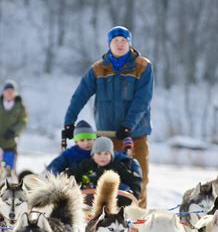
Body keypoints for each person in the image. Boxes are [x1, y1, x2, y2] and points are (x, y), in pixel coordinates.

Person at [62, 26, 153, 208]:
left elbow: (142, 100)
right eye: (115, 41)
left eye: (123, 41)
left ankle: (138, 219)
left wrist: (128, 126)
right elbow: (80, 95)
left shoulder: (142, 67)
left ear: (129, 43)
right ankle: (108, 219)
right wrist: (69, 121)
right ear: (109, 44)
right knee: (106, 181)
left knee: (138, 179)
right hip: (107, 138)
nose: (119, 44)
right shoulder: (98, 69)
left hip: (134, 134)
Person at [65, 137, 142, 207]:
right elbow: (74, 172)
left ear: (111, 155)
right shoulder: (86, 165)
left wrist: (134, 194)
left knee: (122, 187)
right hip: (90, 201)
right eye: (98, 153)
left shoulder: (119, 166)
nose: (102, 157)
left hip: (115, 202)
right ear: (93, 155)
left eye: (106, 154)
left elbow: (134, 181)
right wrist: (68, 176)